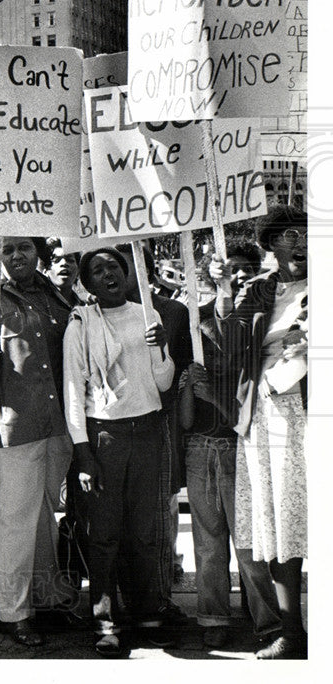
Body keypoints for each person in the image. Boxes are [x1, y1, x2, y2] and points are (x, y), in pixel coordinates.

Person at [0, 237, 76, 647]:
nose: (16, 256)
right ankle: (14, 612)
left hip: (60, 425)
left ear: (37, 251)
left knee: (46, 517)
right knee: (16, 522)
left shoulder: (56, 296)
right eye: (7, 249)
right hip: (13, 429)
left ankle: (46, 597)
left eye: (23, 247)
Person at [208, 205, 308, 660]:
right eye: (289, 234)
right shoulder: (260, 291)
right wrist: (224, 291)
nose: (301, 240)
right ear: (271, 244)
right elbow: (227, 343)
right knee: (278, 518)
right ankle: (292, 630)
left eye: (307, 231)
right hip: (268, 413)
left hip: (310, 408)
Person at [63, 248, 174, 657]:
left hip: (147, 431)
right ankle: (106, 621)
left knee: (145, 532)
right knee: (105, 536)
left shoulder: (148, 316)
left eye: (114, 266)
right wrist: (84, 453)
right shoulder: (81, 324)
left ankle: (147, 612)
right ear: (87, 282)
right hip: (104, 437)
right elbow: (75, 390)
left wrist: (160, 349)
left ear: (128, 274)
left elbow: (163, 383)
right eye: (98, 269)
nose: (108, 273)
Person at [178, 294, 281, 649]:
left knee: (249, 543)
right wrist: (192, 388)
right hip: (199, 452)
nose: (216, 357)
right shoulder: (195, 372)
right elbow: (187, 421)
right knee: (208, 543)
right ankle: (213, 616)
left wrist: (215, 396)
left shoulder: (244, 375)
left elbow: (244, 424)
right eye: (209, 350)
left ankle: (265, 617)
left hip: (237, 452)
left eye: (222, 350)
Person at [115, 243, 193, 623]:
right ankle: (121, 602)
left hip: (160, 429)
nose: (119, 276)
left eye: (129, 266)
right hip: (113, 431)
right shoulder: (94, 315)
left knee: (159, 521)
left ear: (147, 270)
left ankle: (158, 600)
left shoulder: (175, 313)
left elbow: (181, 378)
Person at [42, 238, 85, 305]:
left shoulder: (85, 308)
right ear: (45, 271)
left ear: (78, 271)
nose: (64, 263)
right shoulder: (38, 305)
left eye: (70, 260)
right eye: (56, 260)